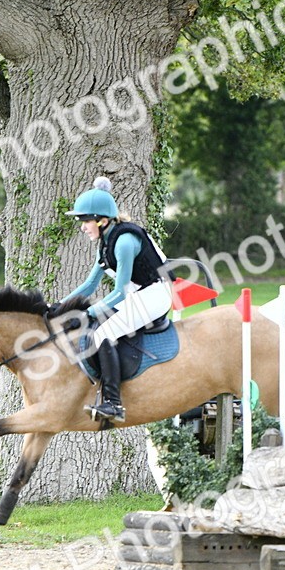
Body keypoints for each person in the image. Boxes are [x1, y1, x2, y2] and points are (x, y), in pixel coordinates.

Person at [62, 176, 170, 423]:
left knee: (102, 334)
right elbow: (89, 285)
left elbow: (119, 293)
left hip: (155, 294)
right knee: (93, 326)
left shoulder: (123, 242)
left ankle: (113, 404)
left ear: (102, 219)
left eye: (85, 221)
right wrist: (60, 307)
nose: (82, 227)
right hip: (138, 294)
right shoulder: (105, 242)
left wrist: (89, 312)